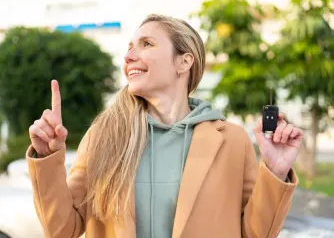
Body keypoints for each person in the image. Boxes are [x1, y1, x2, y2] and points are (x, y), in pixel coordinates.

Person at [26, 14, 303, 238]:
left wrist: (276, 171)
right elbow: (62, 230)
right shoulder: (104, 136)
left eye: (146, 44)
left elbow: (255, 234)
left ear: (184, 61)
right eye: (130, 47)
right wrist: (47, 158)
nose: (129, 56)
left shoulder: (232, 140)